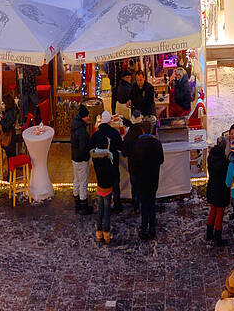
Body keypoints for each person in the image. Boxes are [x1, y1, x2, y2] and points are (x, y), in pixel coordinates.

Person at [91, 110, 123, 244]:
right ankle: (107, 232)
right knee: (106, 211)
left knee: (100, 210)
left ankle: (99, 233)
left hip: (99, 183)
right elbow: (120, 147)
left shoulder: (96, 137)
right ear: (110, 121)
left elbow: (91, 148)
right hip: (109, 183)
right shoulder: (114, 134)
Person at [130, 116, 165, 241]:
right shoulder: (156, 143)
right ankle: (152, 228)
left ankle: (144, 229)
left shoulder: (137, 145)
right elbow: (161, 160)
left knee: (144, 204)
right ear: (151, 130)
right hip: (153, 178)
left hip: (141, 180)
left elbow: (133, 165)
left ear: (142, 130)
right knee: (151, 203)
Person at [206, 136, 231, 247]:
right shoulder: (225, 161)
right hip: (221, 190)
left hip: (211, 187)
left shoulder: (210, 156)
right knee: (220, 213)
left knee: (213, 210)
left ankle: (209, 233)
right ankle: (218, 236)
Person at [70, 104, 94, 214]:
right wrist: (87, 157)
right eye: (87, 116)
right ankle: (83, 206)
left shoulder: (75, 124)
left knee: (76, 179)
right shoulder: (82, 131)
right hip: (81, 159)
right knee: (83, 182)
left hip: (74, 157)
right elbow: (83, 147)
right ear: (83, 117)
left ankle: (76, 201)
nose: (89, 117)